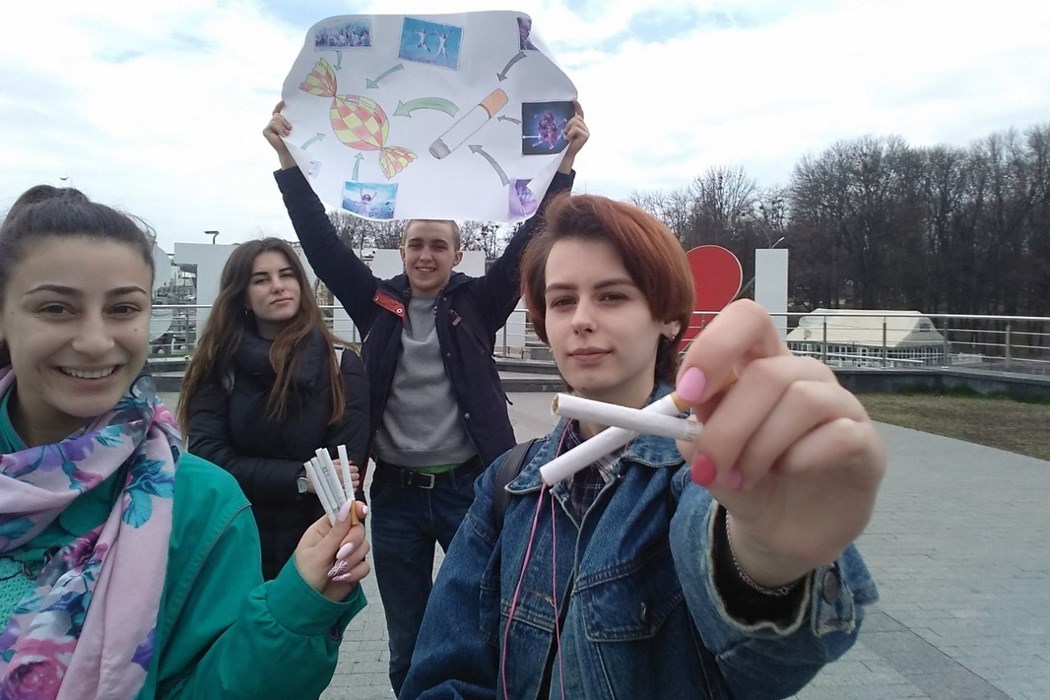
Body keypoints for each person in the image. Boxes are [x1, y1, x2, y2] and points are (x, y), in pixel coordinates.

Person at [401, 194, 885, 698]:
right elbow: (444, 676)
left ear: (668, 318)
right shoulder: (507, 485)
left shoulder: (701, 471)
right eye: (562, 301)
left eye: (612, 296)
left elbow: (764, 663)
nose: (581, 319)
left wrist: (764, 560)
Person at [264, 100, 588, 695]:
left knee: (484, 624)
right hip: (396, 499)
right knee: (407, 639)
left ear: (457, 255)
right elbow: (321, 243)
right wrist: (287, 159)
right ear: (402, 249)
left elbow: (531, 238)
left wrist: (565, 161)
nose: (425, 256)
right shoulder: (376, 303)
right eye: (416, 244)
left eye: (438, 245)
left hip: (470, 490)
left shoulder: (477, 304)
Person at [0, 185, 370, 698]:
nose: (95, 341)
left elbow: (344, 466)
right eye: (56, 309)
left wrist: (296, 609)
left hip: (300, 543)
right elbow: (217, 450)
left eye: (123, 308)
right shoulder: (220, 367)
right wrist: (300, 477)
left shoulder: (202, 502)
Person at [178, 237, 369, 580]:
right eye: (261, 279)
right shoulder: (219, 366)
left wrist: (335, 552)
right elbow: (210, 459)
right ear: (242, 296)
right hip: (232, 543)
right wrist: (302, 477)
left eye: (286, 274)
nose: (278, 286)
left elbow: (343, 477)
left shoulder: (340, 364)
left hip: (315, 550)